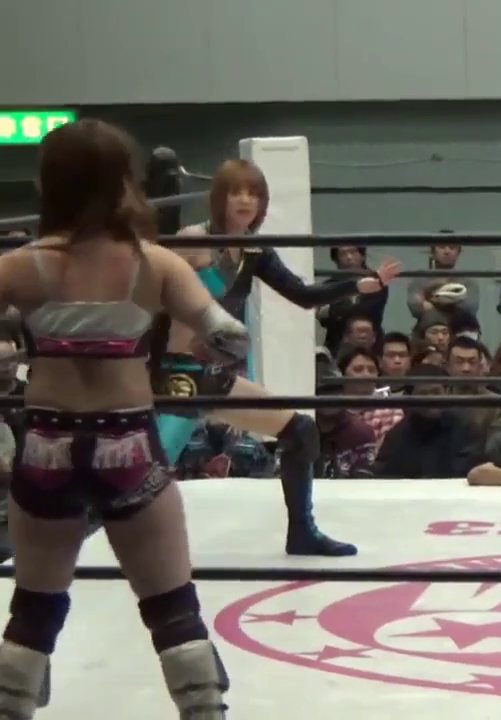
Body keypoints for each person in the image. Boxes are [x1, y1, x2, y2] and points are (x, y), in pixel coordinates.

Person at [0, 119, 247, 718]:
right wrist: (205, 345)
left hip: (47, 445)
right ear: (123, 184)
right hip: (127, 442)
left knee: (34, 608)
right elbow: (230, 337)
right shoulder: (155, 265)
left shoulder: (20, 267)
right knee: (172, 607)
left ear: (49, 185)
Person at [151, 159, 401, 557]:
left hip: (211, 374)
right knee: (146, 471)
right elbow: (153, 301)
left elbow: (301, 294)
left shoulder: (254, 251)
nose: (245, 200)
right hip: (172, 374)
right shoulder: (193, 241)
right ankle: (83, 541)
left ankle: (302, 532)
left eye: (253, 193)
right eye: (236, 192)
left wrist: (358, 285)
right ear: (220, 197)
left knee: (300, 430)